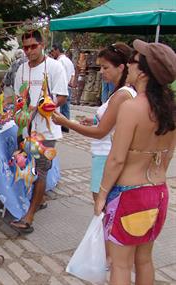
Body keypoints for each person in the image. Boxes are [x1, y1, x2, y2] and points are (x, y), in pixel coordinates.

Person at [94, 40, 176, 285]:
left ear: (142, 71)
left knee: (120, 264)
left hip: (129, 195)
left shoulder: (131, 108)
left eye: (133, 59)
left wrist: (101, 195)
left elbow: (117, 159)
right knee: (144, 260)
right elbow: (168, 157)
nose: (128, 64)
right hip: (158, 193)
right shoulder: (170, 110)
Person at [52, 43, 136, 202]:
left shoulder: (121, 94)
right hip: (105, 154)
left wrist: (66, 122)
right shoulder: (120, 92)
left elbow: (101, 132)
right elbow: (115, 120)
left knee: (102, 206)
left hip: (106, 155)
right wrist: (95, 119)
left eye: (105, 67)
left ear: (121, 67)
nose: (101, 72)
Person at [10, 30, 69, 233]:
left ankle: (29, 217)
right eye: (25, 47)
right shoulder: (21, 70)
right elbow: (18, 99)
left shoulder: (54, 67)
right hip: (26, 130)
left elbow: (62, 96)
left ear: (42, 44)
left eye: (33, 46)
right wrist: (19, 113)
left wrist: (40, 107)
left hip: (47, 131)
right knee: (27, 168)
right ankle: (38, 199)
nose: (29, 51)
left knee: (41, 171)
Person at [51, 43, 75, 133]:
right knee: (66, 107)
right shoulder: (68, 61)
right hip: (68, 86)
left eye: (53, 51)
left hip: (62, 87)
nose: (52, 53)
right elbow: (73, 73)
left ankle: (63, 125)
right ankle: (66, 125)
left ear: (57, 50)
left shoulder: (59, 62)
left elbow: (59, 76)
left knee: (61, 107)